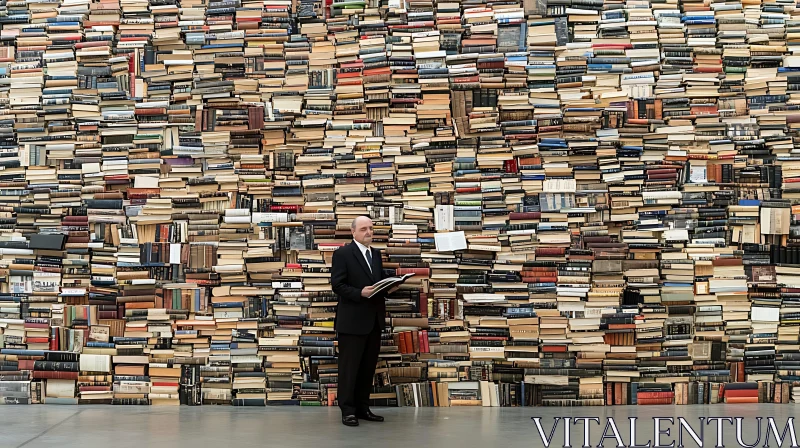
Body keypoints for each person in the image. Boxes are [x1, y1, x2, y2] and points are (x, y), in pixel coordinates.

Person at [331, 215, 395, 427]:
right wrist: (360, 293)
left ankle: (362, 407)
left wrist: (391, 285)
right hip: (352, 321)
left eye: (371, 228)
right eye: (364, 229)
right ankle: (347, 410)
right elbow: (337, 285)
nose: (369, 232)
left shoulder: (375, 254)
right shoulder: (342, 254)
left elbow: (377, 282)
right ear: (353, 232)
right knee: (349, 369)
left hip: (374, 320)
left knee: (368, 368)